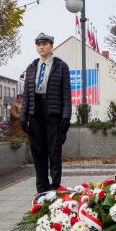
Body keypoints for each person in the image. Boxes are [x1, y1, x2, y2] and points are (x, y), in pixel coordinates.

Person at [20, 33, 72, 193]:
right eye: (38, 44)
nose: (41, 47)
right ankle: (42, 187)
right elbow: (27, 95)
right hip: (36, 112)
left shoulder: (61, 66)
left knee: (54, 151)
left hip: (53, 113)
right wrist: (23, 117)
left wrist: (66, 116)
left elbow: (66, 94)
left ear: (51, 46)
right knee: (37, 151)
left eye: (44, 43)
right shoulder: (31, 67)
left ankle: (55, 186)